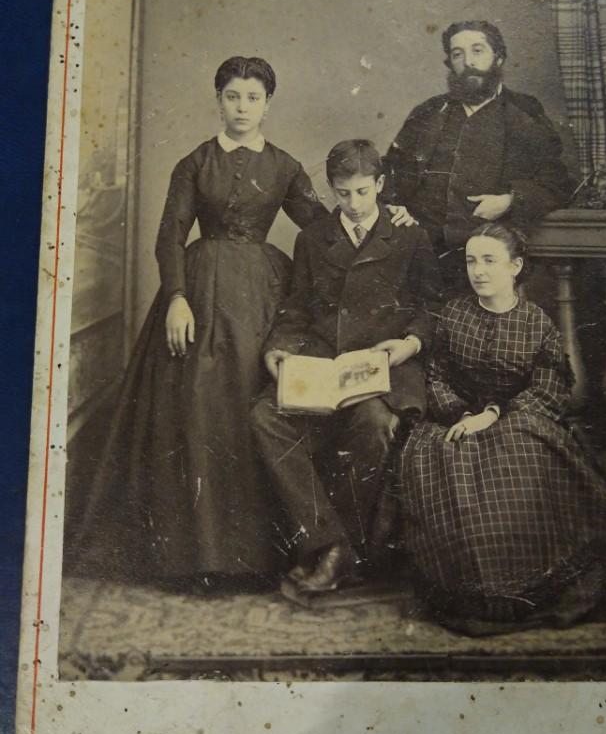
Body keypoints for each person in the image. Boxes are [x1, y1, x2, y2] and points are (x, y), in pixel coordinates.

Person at [73, 57, 414, 590]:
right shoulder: (194, 162)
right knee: (199, 408)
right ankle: (196, 558)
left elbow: (328, 226)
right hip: (201, 291)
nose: (242, 108)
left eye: (253, 98)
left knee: (259, 406)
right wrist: (178, 298)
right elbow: (170, 235)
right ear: (219, 99)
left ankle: (263, 555)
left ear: (267, 104)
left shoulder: (282, 165)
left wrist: (391, 215)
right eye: (233, 96)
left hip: (260, 296)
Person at [400, 223, 606, 636]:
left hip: (520, 421)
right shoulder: (454, 314)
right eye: (471, 261)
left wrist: (496, 414)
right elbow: (436, 375)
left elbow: (549, 387)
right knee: (443, 463)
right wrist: (460, 414)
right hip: (455, 423)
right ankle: (484, 592)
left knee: (520, 455)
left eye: (489, 261)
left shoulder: (536, 323)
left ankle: (532, 585)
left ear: (515, 266)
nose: (478, 271)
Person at [250, 139, 443, 596]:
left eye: (362, 192)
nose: (353, 205)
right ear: (331, 189)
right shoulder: (313, 238)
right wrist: (277, 348)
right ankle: (332, 544)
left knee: (375, 423)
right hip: (323, 362)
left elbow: (431, 304)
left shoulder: (409, 235)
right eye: (343, 193)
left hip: (385, 365)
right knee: (265, 417)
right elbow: (296, 309)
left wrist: (410, 343)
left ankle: (338, 552)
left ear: (379, 184)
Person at [383, 20, 573, 288]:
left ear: (498, 58)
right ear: (450, 63)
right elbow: (390, 171)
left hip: (490, 259)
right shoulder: (428, 112)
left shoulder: (524, 113)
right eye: (457, 54)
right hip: (422, 254)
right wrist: (394, 205)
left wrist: (510, 200)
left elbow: (558, 183)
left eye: (478, 50)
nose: (468, 61)